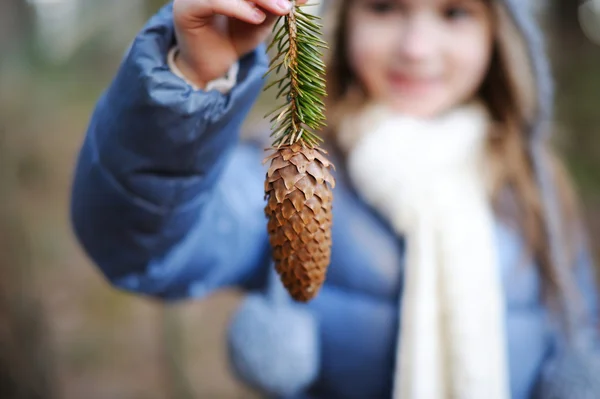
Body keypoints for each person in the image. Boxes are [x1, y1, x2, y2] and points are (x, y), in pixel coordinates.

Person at [70, 0, 600, 398]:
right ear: (345, 20)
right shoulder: (288, 172)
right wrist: (191, 77)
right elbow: (140, 246)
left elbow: (579, 322)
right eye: (385, 6)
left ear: (499, 35)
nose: (416, 47)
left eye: (455, 12)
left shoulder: (538, 189)